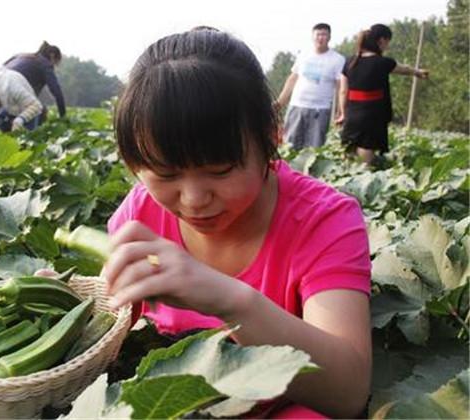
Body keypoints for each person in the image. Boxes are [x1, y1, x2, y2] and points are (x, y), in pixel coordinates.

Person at [102, 28, 372, 418]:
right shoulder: (138, 214)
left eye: (221, 170)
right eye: (165, 174)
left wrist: (230, 301)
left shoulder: (325, 219)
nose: (194, 199)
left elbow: (348, 393)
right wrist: (59, 314)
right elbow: (112, 330)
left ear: (270, 137)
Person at [336, 24, 429, 165]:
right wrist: (417, 72)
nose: (387, 46)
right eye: (387, 42)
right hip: (372, 115)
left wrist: (343, 113)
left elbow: (343, 91)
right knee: (365, 156)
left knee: (349, 152)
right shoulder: (383, 62)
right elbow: (403, 69)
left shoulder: (349, 62)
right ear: (381, 40)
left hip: (352, 114)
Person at [275, 23, 346, 150]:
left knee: (315, 148)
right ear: (312, 37)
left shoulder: (337, 59)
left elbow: (340, 87)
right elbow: (292, 79)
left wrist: (340, 111)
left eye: (324, 34)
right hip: (297, 105)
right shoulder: (303, 55)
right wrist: (280, 102)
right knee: (289, 145)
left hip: (320, 109)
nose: (320, 38)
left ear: (329, 37)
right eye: (318, 34)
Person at [4, 41, 67, 121]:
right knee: (39, 111)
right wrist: (63, 116)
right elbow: (57, 92)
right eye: (56, 62)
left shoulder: (20, 56)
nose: (54, 66)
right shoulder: (45, 64)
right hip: (14, 91)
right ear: (52, 55)